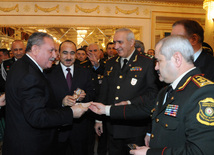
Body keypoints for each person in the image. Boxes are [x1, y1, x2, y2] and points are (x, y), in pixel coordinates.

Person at [3, 32, 90, 155]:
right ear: (35, 49)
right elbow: (37, 117)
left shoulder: (21, 66)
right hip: (31, 145)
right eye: (51, 51)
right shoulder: (30, 75)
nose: (55, 56)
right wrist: (71, 112)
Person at [129, 35, 214, 155]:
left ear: (177, 59)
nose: (156, 67)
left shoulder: (203, 93)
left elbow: (200, 151)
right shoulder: (167, 90)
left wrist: (150, 153)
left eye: (159, 61)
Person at [93, 28, 158, 155]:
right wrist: (99, 119)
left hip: (135, 127)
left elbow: (152, 94)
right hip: (113, 126)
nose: (116, 47)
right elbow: (104, 92)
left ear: (131, 42)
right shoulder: (111, 63)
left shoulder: (147, 62)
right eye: (114, 42)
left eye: (120, 42)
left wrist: (130, 102)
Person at [46, 40, 95, 155]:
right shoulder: (48, 73)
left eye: (72, 53)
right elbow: (44, 100)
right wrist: (61, 102)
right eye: (65, 53)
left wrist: (85, 96)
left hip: (80, 129)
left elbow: (93, 94)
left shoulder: (85, 72)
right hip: (58, 129)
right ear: (58, 53)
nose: (68, 57)